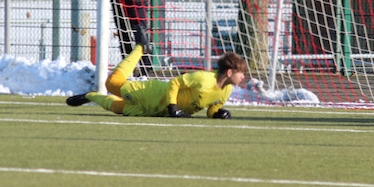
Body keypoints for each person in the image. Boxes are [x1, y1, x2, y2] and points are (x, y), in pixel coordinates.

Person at [66, 45, 248, 119]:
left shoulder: (226, 91)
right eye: (241, 73)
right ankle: (140, 47)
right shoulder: (203, 78)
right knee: (112, 84)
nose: (243, 77)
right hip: (152, 94)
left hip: (157, 112)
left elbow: (212, 108)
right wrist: (173, 106)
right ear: (230, 72)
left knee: (117, 108)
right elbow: (175, 83)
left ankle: (90, 96)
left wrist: (218, 114)